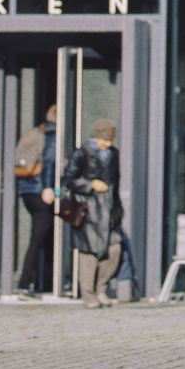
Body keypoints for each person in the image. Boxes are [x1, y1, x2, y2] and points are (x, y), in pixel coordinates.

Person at [62, 119, 125, 309]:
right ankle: (88, 294)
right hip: (88, 210)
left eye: (110, 140)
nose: (108, 144)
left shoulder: (114, 154)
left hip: (109, 210)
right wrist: (90, 185)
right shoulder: (82, 153)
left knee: (114, 249)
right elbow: (68, 179)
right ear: (96, 137)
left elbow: (115, 183)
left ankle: (101, 287)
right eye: (104, 140)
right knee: (88, 252)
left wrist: (118, 210)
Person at [12, 105, 57, 298]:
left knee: (45, 237)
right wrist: (48, 187)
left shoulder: (35, 132)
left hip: (27, 192)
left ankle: (48, 281)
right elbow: (48, 162)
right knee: (38, 239)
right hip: (41, 192)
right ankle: (25, 283)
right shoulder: (52, 135)